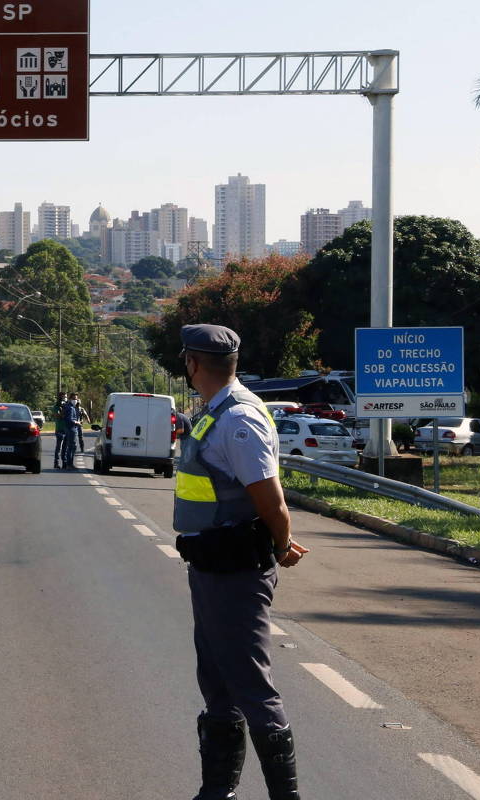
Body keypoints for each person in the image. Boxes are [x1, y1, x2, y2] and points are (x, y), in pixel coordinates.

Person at [172, 324, 308, 800]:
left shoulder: (237, 419)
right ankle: (216, 792)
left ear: (191, 364)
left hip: (235, 568)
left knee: (251, 683)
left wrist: (281, 542)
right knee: (217, 679)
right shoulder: (217, 412)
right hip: (212, 565)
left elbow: (271, 500)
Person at [59, 395, 79, 467]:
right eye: (74, 399)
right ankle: (69, 463)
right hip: (71, 428)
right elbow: (70, 420)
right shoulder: (70, 408)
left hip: (67, 428)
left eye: (76, 399)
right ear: (70, 399)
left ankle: (67, 463)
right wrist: (77, 422)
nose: (75, 400)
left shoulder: (68, 407)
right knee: (71, 446)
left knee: (68, 446)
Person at [50, 392, 68, 469]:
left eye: (66, 397)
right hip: (60, 429)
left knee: (65, 447)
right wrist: (63, 409)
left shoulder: (68, 406)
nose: (65, 399)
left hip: (67, 429)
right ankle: (56, 463)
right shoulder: (56, 407)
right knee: (59, 447)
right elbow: (58, 416)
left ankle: (65, 462)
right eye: (63, 397)